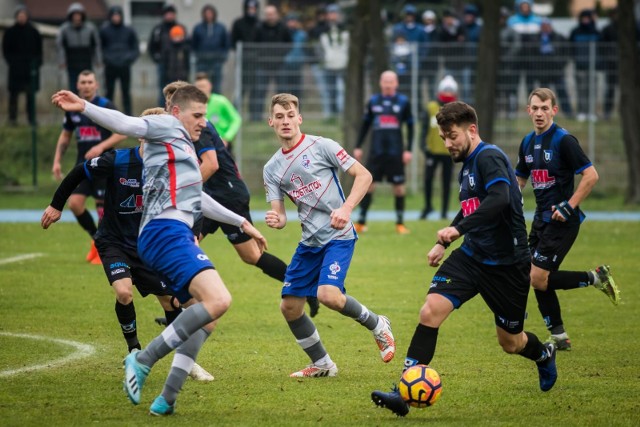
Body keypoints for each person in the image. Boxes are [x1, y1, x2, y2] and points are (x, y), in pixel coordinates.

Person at [51, 84, 266, 416]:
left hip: (163, 233)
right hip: (165, 231)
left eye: (206, 116)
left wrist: (241, 222)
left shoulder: (180, 149)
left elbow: (199, 199)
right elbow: (128, 124)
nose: (204, 123)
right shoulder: (168, 126)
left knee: (205, 319)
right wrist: (84, 106)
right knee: (219, 300)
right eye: (198, 115)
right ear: (177, 113)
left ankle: (166, 399)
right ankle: (143, 359)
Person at [371, 101, 558, 417]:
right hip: (471, 257)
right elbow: (473, 205)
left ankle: (543, 354)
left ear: (472, 130)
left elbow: (499, 198)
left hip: (508, 265)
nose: (447, 144)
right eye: (443, 137)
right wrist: (444, 243)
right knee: (430, 311)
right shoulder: (468, 164)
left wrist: (456, 230)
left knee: (511, 343)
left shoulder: (490, 157)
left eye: (452, 136)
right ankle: (402, 392)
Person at [41, 106, 213, 382]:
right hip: (113, 241)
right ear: (141, 134)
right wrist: (56, 205)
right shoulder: (118, 161)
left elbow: (195, 201)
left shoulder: (170, 168)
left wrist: (195, 231)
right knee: (124, 293)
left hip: (148, 245)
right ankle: (134, 350)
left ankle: (186, 361)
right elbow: (78, 172)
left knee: (171, 302)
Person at [158, 80, 319, 318]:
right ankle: (180, 309)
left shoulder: (199, 126)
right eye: (167, 102)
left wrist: (182, 191)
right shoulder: (184, 127)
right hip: (214, 196)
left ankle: (307, 289)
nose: (169, 107)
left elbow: (211, 165)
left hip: (227, 195)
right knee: (230, 252)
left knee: (245, 254)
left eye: (173, 101)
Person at [263, 93, 396, 377]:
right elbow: (282, 215)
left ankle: (377, 324)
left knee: (329, 296)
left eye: (290, 116)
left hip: (338, 235)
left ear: (299, 118)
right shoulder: (272, 168)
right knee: (290, 307)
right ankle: (323, 364)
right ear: (271, 122)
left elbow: (364, 176)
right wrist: (277, 218)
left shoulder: (322, 146)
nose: (285, 121)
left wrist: (346, 209)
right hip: (309, 242)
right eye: (279, 117)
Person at [515, 88, 620, 350]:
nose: (539, 113)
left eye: (544, 108)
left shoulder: (564, 140)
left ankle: (596, 277)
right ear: (529, 111)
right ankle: (559, 336)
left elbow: (591, 175)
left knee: (537, 276)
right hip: (541, 220)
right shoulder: (527, 142)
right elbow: (520, 179)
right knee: (537, 277)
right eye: (535, 108)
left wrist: (569, 206)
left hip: (563, 222)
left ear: (554, 110)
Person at [51, 70, 127, 264]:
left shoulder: (105, 106)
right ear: (78, 85)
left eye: (89, 82)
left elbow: (122, 132)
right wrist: (57, 160)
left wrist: (101, 146)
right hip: (82, 166)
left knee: (103, 209)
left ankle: (105, 247)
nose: (86, 85)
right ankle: (96, 239)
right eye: (82, 82)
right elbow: (66, 135)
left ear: (96, 85)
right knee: (75, 204)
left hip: (104, 165)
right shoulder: (71, 109)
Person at [353, 70, 414, 235]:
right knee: (369, 185)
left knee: (399, 188)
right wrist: (358, 146)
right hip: (376, 152)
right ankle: (361, 222)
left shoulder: (403, 102)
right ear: (380, 83)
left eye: (391, 81)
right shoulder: (373, 102)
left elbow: (410, 126)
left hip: (395, 153)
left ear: (396, 83)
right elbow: (365, 125)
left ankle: (400, 224)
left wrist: (408, 150)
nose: (387, 84)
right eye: (385, 81)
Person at [419, 76, 457, 220]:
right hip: (432, 151)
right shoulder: (431, 107)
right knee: (428, 179)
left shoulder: (456, 108)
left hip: (449, 152)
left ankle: (444, 211)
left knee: (446, 182)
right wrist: (423, 146)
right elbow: (423, 129)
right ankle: (428, 206)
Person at [2, 5, 42, 126]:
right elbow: (5, 50)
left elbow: (39, 51)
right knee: (13, 96)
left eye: (23, 15)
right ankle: (12, 119)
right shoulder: (10, 32)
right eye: (19, 16)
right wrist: (12, 62)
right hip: (15, 70)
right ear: (16, 17)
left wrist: (36, 64)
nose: (21, 18)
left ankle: (31, 119)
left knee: (30, 97)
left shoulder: (34, 32)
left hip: (30, 70)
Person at [100, 5, 139, 115]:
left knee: (126, 92)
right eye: (114, 15)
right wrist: (107, 59)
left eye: (118, 15)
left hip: (124, 67)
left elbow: (135, 49)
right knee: (109, 92)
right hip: (110, 67)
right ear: (110, 16)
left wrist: (128, 59)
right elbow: (100, 48)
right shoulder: (104, 31)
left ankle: (128, 115)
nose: (116, 18)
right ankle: (107, 115)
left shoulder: (129, 31)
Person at [148, 4, 189, 107]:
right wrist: (157, 58)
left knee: (180, 90)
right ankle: (163, 110)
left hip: (179, 65)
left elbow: (187, 46)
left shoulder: (180, 28)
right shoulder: (158, 29)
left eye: (172, 13)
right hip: (163, 65)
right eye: (168, 13)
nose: (170, 16)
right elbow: (152, 46)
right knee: (164, 90)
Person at [56, 2, 102, 92]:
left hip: (87, 61)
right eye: (74, 15)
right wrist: (62, 61)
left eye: (79, 15)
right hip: (71, 62)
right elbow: (60, 45)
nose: (77, 17)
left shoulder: (90, 28)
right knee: (73, 86)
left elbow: (96, 45)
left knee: (88, 85)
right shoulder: (64, 29)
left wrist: (98, 60)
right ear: (71, 16)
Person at [532, 18, 572, 117]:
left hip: (557, 71)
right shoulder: (536, 39)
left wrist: (561, 64)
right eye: (543, 26)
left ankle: (568, 113)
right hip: (543, 72)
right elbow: (531, 55)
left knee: (562, 91)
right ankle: (545, 113)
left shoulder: (559, 37)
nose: (545, 28)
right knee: (544, 95)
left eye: (547, 26)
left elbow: (566, 53)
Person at [194, 73, 242, 152]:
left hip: (222, 143)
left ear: (210, 86)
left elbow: (236, 119)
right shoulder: (193, 105)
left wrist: (227, 137)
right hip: (202, 143)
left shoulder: (221, 101)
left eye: (203, 86)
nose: (201, 89)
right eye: (199, 87)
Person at [569, 9, 601, 122]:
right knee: (581, 90)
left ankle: (591, 112)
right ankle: (582, 112)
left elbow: (601, 49)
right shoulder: (575, 32)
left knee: (592, 90)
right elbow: (570, 47)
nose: (586, 20)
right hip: (580, 66)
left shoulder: (596, 32)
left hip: (593, 66)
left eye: (588, 18)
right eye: (584, 18)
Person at [192, 4, 230, 95]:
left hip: (216, 62)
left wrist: (222, 57)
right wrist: (197, 56)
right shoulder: (198, 28)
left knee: (216, 85)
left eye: (210, 13)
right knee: (201, 85)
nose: (209, 15)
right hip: (202, 62)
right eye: (207, 13)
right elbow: (193, 45)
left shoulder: (221, 28)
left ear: (214, 14)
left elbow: (226, 44)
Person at [319, 4, 349, 118]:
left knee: (342, 91)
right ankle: (331, 115)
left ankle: (343, 114)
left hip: (343, 64)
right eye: (330, 13)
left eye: (334, 13)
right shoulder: (323, 29)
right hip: (329, 64)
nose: (333, 16)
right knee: (330, 92)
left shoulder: (345, 28)